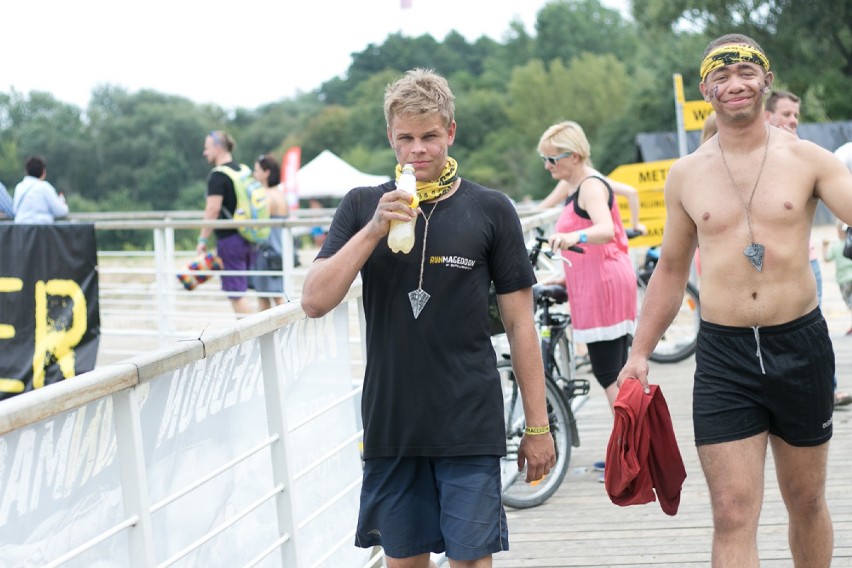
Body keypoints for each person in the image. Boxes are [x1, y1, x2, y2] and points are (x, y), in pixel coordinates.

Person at [300, 68, 555, 568]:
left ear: (451, 132)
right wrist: (374, 228)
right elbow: (313, 299)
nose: (419, 150)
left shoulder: (490, 209)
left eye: (430, 136)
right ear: (390, 138)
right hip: (392, 423)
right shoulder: (360, 205)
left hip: (469, 420)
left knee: (470, 562)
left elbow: (521, 324)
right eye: (406, 138)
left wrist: (538, 427)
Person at [617, 34, 852, 566]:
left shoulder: (810, 160)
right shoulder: (686, 174)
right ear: (706, 90)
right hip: (725, 356)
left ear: (766, 80)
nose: (735, 84)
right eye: (721, 76)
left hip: (800, 345)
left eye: (746, 71)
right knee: (732, 510)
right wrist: (639, 353)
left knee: (807, 500)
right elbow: (672, 270)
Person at [538, 121, 638, 482]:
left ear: (574, 156)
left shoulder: (591, 186)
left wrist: (569, 235)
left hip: (604, 286)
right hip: (597, 281)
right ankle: (630, 450)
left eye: (551, 159)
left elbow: (605, 230)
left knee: (609, 371)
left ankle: (630, 458)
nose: (548, 166)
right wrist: (564, 273)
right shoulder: (577, 185)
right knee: (616, 371)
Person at [196, 130, 255, 315]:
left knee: (236, 295)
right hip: (250, 237)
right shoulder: (244, 170)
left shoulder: (218, 176)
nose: (205, 153)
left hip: (230, 241)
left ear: (217, 147)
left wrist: (202, 239)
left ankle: (258, 337)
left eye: (207, 148)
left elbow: (212, 210)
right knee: (248, 291)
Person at [250, 154, 288, 309]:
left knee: (265, 297)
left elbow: (258, 225)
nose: (254, 174)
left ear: (266, 173)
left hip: (267, 250)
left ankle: (266, 333)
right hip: (280, 249)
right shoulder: (280, 194)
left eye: (257, 170)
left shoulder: (265, 196)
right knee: (278, 295)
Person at [12, 156, 69, 224]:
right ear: (43, 171)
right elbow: (60, 211)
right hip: (41, 231)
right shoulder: (45, 187)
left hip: (21, 230)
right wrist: (63, 203)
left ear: (26, 171)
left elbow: (15, 210)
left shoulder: (19, 187)